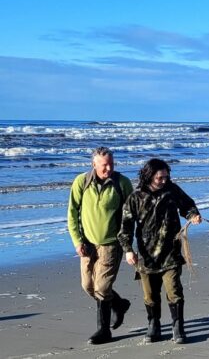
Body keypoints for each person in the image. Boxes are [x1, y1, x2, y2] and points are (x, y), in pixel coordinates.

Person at [118, 158, 201, 344]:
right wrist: (128, 250)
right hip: (146, 256)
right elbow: (125, 226)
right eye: (160, 178)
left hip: (171, 252)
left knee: (174, 290)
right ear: (149, 176)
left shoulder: (172, 190)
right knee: (150, 295)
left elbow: (187, 205)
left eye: (166, 176)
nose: (164, 180)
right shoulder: (136, 197)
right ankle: (153, 324)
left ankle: (178, 327)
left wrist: (193, 215)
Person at [66, 146, 133, 344]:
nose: (108, 168)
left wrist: (128, 244)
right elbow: (72, 213)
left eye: (111, 164)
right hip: (87, 244)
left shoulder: (122, 183)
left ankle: (104, 331)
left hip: (112, 244)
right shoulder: (81, 182)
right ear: (94, 164)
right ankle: (119, 304)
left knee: (102, 287)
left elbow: (130, 215)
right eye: (104, 165)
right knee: (88, 286)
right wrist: (77, 241)